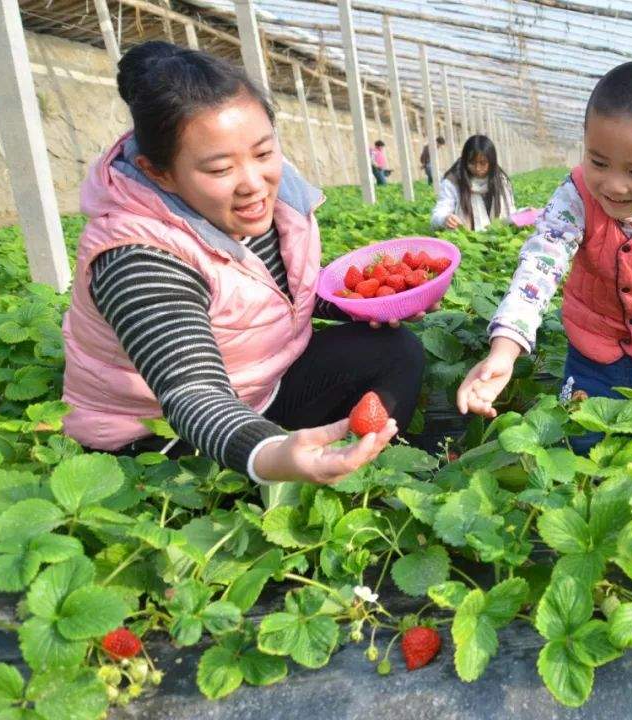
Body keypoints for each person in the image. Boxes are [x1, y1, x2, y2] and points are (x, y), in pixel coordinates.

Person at [62, 41, 426, 486]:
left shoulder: (277, 197)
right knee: (232, 484)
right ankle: (288, 481)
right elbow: (192, 392)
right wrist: (267, 453)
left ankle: (371, 473)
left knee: (394, 350)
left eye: (263, 152)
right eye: (219, 170)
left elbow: (281, 289)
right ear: (158, 172)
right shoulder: (137, 255)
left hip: (260, 387)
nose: (253, 184)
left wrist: (364, 302)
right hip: (161, 435)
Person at [456, 61, 632, 452]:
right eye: (598, 162)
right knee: (581, 445)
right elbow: (539, 266)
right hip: (591, 358)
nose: (613, 185)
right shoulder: (576, 195)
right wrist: (505, 349)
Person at [430, 135, 515, 231]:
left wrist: (525, 213)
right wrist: (444, 219)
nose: (477, 168)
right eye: (472, 163)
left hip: (496, 237)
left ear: (491, 162)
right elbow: (439, 213)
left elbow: (511, 212)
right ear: (465, 161)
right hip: (464, 239)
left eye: (483, 163)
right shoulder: (453, 181)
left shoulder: (501, 181)